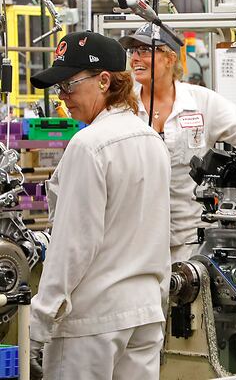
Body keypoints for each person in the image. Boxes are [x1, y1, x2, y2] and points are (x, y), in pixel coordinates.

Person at [29, 31, 171, 379]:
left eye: (69, 86)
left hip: (91, 322)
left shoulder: (88, 145)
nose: (63, 98)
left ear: (104, 80)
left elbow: (74, 244)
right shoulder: (152, 141)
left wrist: (40, 320)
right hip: (144, 315)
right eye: (59, 89)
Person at [118, 24, 236, 262]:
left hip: (189, 242)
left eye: (144, 50)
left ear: (169, 58)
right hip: (135, 242)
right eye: (132, 51)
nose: (135, 58)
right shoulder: (122, 106)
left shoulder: (201, 103)